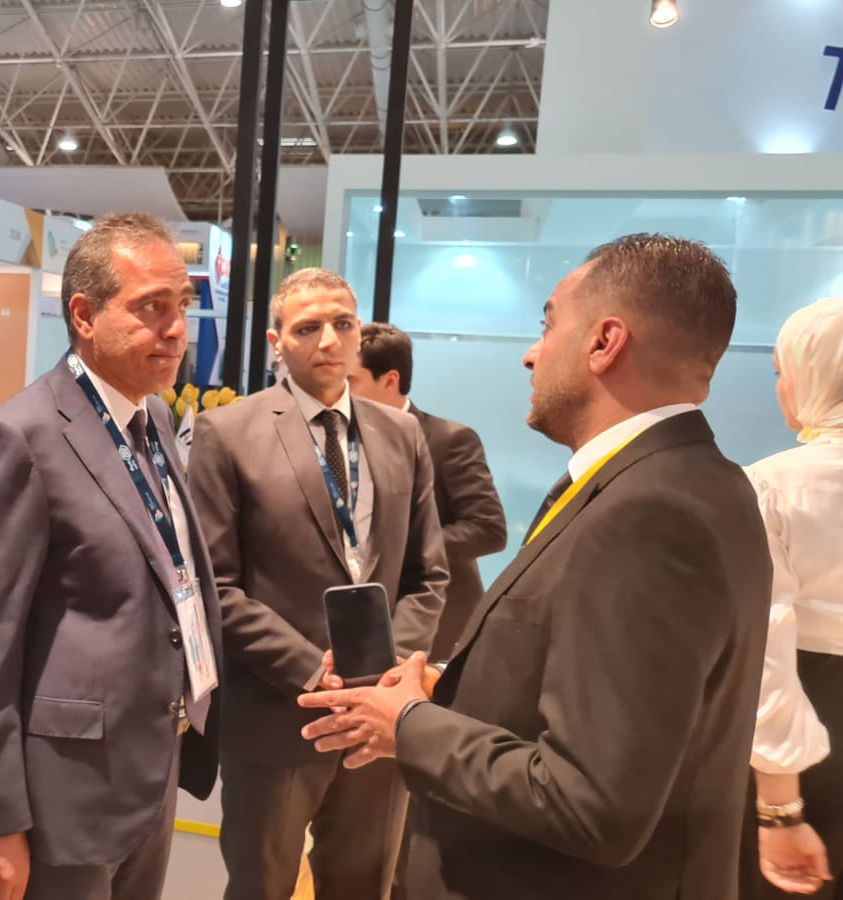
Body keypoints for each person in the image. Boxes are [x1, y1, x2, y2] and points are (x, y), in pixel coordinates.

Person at [301, 234, 772, 900]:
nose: (531, 353)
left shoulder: (649, 512)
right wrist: (438, 689)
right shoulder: (690, 482)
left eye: (547, 325)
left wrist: (409, 726)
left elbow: (593, 803)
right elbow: (604, 695)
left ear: (604, 342)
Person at [0, 213, 222, 900]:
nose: (176, 329)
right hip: (65, 792)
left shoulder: (155, 417)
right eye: (151, 307)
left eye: (181, 306)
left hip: (151, 761)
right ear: (84, 315)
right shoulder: (21, 437)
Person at [187, 268, 449, 900]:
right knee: (262, 885)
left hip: (381, 715)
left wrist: (387, 672)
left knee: (364, 882)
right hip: (281, 713)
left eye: (342, 324)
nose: (328, 340)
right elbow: (216, 585)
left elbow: (428, 573)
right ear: (276, 341)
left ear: (360, 334)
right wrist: (313, 672)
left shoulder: (402, 433)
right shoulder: (229, 433)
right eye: (307, 328)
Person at [743, 297, 843, 898]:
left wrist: (780, 811)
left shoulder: (770, 484)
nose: (780, 388)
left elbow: (767, 653)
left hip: (811, 723)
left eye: (782, 372)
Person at [349, 322, 507, 658]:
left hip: (436, 627)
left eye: (350, 381)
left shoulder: (450, 440)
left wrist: (401, 546)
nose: (339, 392)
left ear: (390, 380)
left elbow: (488, 530)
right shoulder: (335, 440)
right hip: (356, 620)